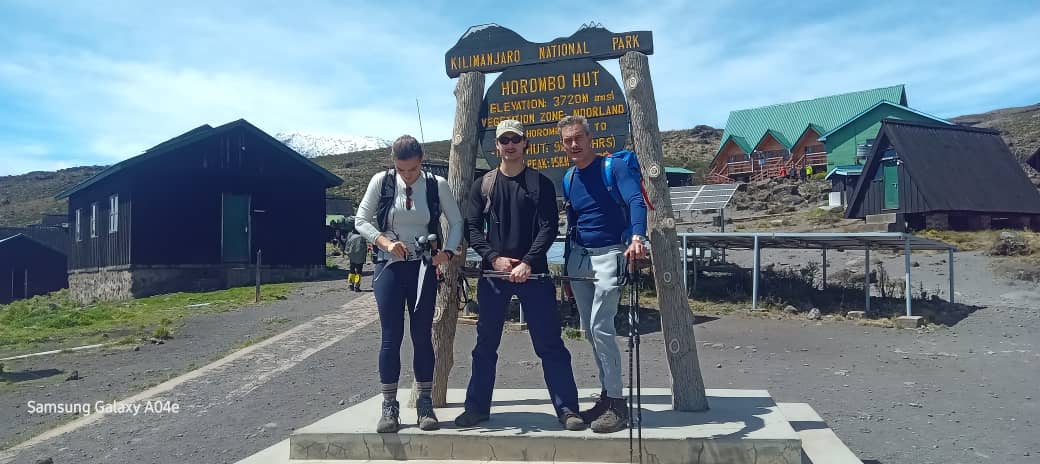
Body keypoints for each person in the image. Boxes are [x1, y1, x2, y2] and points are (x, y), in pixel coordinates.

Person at [455, 119, 585, 431]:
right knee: (485, 345)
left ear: (525, 143)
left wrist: (527, 262)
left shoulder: (540, 184)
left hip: (534, 275)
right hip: (494, 276)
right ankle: (476, 409)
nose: (510, 144)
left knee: (550, 344)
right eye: (504, 140)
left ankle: (567, 410)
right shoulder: (482, 185)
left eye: (516, 139)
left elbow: (548, 227)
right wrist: (494, 258)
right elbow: (472, 228)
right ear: (496, 146)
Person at [355, 135, 464, 433]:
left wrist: (448, 252)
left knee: (421, 335)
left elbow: (456, 222)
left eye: (413, 169)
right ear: (394, 163)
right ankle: (389, 407)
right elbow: (361, 220)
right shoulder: (382, 181)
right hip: (389, 266)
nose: (408, 175)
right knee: (391, 336)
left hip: (423, 268)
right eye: (402, 170)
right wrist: (385, 242)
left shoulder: (434, 184)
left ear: (421, 161)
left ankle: (425, 404)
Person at [558, 115, 647, 434]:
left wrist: (638, 237)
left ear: (590, 138)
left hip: (611, 253)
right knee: (590, 330)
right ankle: (608, 396)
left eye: (578, 137)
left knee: (601, 325)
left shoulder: (614, 168)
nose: (573, 144)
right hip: (580, 258)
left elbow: (636, 200)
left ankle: (619, 404)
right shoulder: (569, 178)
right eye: (567, 140)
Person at [343, 217, 367, 292]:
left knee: (352, 269)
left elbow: (347, 244)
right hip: (360, 256)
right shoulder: (362, 236)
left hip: (352, 255)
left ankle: (350, 284)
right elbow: (365, 247)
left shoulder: (350, 235)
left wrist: (346, 252)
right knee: (359, 271)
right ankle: (357, 286)